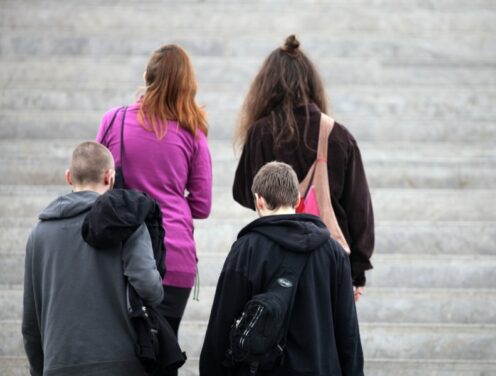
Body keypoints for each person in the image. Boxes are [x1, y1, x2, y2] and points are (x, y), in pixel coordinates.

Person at [232, 35, 374, 301]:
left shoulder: (260, 132)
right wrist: (358, 270)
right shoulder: (338, 135)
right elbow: (359, 208)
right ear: (311, 85)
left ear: (266, 87)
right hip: (329, 260)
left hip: (272, 256)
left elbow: (242, 192)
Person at [96, 43, 213, 361]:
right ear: (187, 85)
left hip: (118, 256)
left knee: (120, 356)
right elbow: (202, 205)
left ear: (147, 76)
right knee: (162, 351)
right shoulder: (193, 133)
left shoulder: (112, 121)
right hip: (173, 259)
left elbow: (96, 184)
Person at [200, 161, 364, 376]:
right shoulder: (333, 252)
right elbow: (348, 330)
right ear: (298, 200)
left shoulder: (246, 250)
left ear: (259, 201)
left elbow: (221, 325)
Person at [22, 141, 164, 375]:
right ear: (110, 177)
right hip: (121, 362)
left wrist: (40, 368)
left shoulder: (38, 235)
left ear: (69, 177)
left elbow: (30, 322)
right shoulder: (127, 224)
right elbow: (150, 289)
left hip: (59, 363)